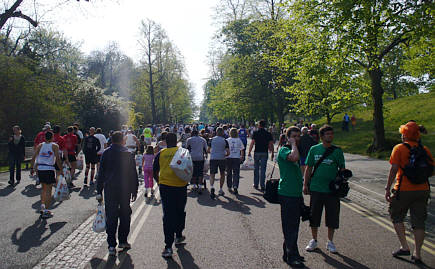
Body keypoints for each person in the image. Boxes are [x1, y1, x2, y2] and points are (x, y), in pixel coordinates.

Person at [385, 121, 433, 264]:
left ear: (404, 134)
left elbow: (394, 169)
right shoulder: (424, 149)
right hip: (423, 189)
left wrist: (388, 188)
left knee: (397, 215)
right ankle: (417, 254)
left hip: (403, 189)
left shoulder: (399, 148)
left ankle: (405, 247)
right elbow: (431, 170)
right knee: (419, 222)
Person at [303, 125, 345, 253]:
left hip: (332, 190)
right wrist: (305, 184)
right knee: (314, 215)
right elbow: (308, 167)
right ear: (321, 137)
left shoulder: (337, 151)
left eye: (332, 134)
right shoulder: (314, 149)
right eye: (327, 134)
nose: (330, 136)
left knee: (332, 216)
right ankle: (314, 240)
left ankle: (330, 241)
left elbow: (342, 169)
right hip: (316, 188)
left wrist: (341, 182)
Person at [96, 131, 138, 256]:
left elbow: (101, 173)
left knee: (111, 215)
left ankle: (111, 245)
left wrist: (99, 190)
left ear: (112, 140)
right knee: (125, 214)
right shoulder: (127, 154)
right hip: (124, 188)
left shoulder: (106, 153)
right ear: (122, 140)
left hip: (110, 188)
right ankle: (123, 240)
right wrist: (134, 189)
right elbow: (132, 173)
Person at [153, 133, 188, 258]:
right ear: (177, 141)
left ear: (165, 142)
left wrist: (159, 182)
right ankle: (178, 235)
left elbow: (154, 171)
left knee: (168, 215)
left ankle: (168, 246)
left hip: (166, 187)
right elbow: (189, 168)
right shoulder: (183, 152)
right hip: (180, 186)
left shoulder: (161, 154)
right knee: (180, 211)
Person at [278, 126, 305, 268]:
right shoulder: (284, 150)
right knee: (290, 226)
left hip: (295, 193)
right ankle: (291, 256)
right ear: (288, 137)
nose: (297, 138)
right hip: (287, 194)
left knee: (294, 225)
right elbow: (294, 157)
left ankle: (289, 252)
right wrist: (293, 144)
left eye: (298, 136)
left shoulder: (293, 149)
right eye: (294, 136)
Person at [30, 131, 63, 219]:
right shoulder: (54, 146)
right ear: (52, 137)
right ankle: (46, 210)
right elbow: (58, 159)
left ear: (44, 137)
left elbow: (34, 157)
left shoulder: (40, 145)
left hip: (40, 169)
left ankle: (42, 205)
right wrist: (61, 170)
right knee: (49, 190)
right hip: (49, 168)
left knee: (43, 189)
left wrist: (31, 168)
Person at [248, 120, 274, 192]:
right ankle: (262, 185)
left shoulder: (256, 133)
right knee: (263, 169)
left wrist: (249, 151)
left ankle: (256, 184)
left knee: (256, 169)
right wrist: (272, 153)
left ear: (259, 125)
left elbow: (252, 143)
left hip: (257, 152)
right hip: (264, 152)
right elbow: (271, 144)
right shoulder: (268, 134)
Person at [208, 127, 230, 199]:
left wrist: (213, 152)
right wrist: (225, 155)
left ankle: (212, 187)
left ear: (216, 132)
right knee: (222, 174)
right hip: (222, 158)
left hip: (213, 158)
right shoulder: (225, 141)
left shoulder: (211, 140)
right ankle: (220, 189)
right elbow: (228, 152)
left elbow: (208, 150)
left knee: (212, 174)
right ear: (223, 133)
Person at [186, 130, 208, 194]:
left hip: (192, 157)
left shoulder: (189, 140)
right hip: (200, 157)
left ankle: (195, 185)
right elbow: (205, 149)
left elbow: (187, 149)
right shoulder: (203, 140)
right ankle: (200, 186)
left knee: (193, 171)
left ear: (192, 134)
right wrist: (206, 155)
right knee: (200, 171)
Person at [226, 128, 244, 195]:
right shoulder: (239, 140)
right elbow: (242, 149)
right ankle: (235, 186)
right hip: (236, 158)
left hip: (229, 157)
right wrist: (242, 156)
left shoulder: (227, 140)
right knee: (236, 173)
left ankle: (229, 186)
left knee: (229, 172)